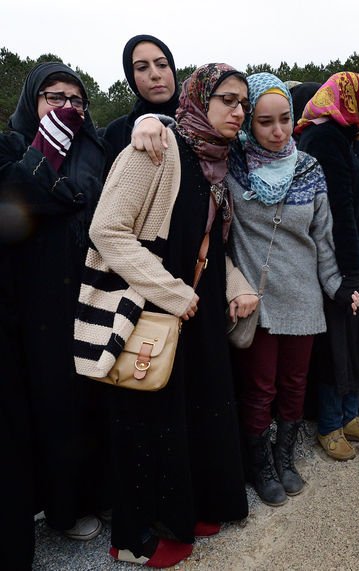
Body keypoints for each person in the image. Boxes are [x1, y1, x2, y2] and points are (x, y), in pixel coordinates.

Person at [75, 63, 255, 567]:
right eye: (227, 100)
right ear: (200, 99)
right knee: (144, 423)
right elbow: (106, 231)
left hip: (193, 312)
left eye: (243, 103)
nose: (238, 111)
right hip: (148, 309)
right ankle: (133, 538)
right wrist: (173, 292)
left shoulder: (213, 161)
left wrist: (236, 286)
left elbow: (208, 244)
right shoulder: (156, 149)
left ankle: (183, 511)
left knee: (189, 415)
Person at [226, 73, 359, 505]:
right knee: (260, 387)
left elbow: (323, 237)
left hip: (303, 296)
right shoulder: (232, 163)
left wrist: (339, 286)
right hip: (258, 298)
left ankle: (285, 458)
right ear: (249, 122)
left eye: (285, 119)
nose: (278, 131)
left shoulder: (309, 167)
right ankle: (260, 465)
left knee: (294, 384)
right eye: (265, 122)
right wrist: (149, 122)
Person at [0, 62, 108, 547]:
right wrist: (47, 147)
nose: (67, 107)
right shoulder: (12, 147)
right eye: (54, 97)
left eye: (75, 100)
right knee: (50, 404)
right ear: (32, 101)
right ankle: (60, 507)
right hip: (33, 300)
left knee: (93, 398)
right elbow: (12, 202)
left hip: (90, 291)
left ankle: (93, 494)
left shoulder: (95, 149)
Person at [295, 72, 359, 461]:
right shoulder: (324, 139)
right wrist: (349, 272)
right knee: (338, 346)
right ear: (349, 102)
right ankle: (330, 425)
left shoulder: (349, 136)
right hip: (338, 261)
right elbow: (338, 211)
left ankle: (349, 415)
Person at [101, 35, 179, 172]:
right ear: (131, 76)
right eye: (142, 67)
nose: (155, 75)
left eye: (162, 65)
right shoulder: (117, 132)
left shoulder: (203, 121)